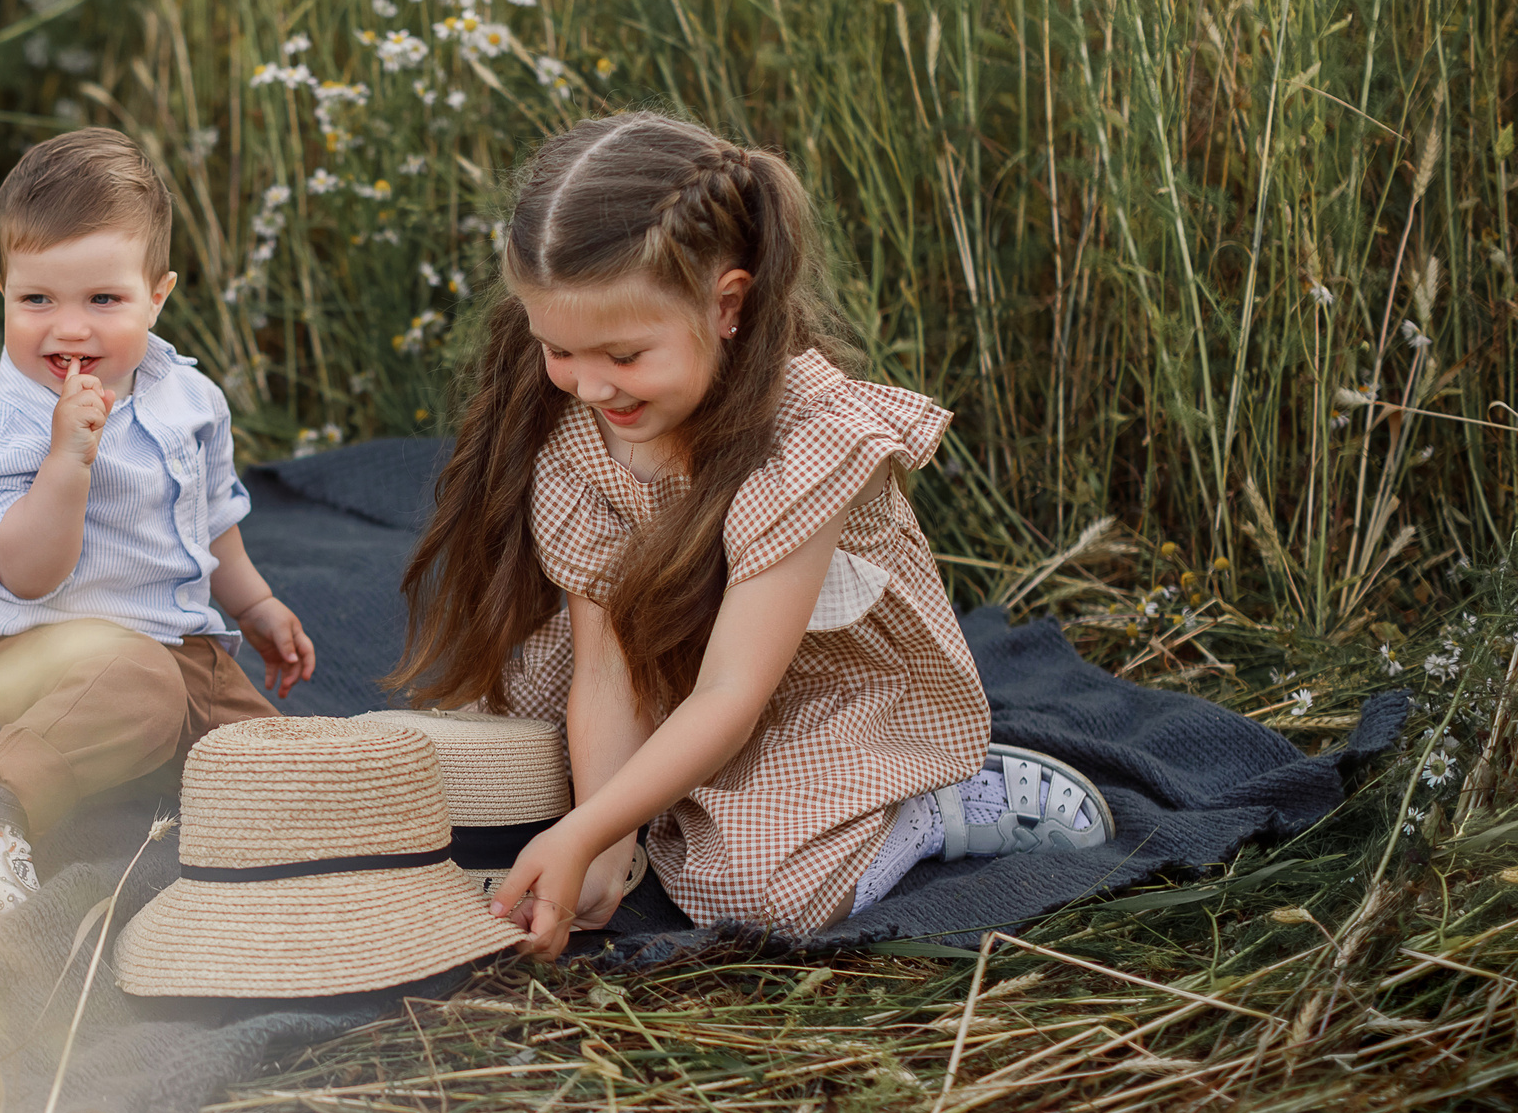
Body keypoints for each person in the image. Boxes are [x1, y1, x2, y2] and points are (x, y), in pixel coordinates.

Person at [393, 112, 1110, 960]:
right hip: (673, 659)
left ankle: (928, 803)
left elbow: (734, 693)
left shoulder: (806, 439)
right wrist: (605, 844)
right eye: (558, 349)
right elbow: (604, 665)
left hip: (812, 686)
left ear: (725, 304)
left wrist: (589, 827)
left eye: (622, 354)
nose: (587, 385)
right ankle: (652, 812)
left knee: (748, 889)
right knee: (499, 775)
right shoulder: (585, 430)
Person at [0, 127, 316, 914]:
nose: (69, 328)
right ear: (2, 288)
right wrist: (67, 464)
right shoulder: (14, 429)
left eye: (103, 300)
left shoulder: (192, 398)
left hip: (175, 643)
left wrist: (254, 605)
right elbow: (26, 571)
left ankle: (285, 860)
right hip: (42, 642)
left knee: (275, 761)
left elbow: (210, 520)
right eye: (37, 299)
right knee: (142, 689)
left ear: (158, 294)